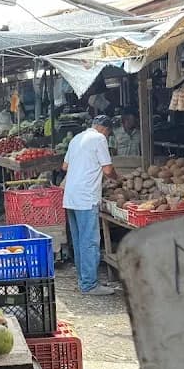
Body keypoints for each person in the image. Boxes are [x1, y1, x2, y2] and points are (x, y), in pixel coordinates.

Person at [62, 115, 118, 295]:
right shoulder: (99, 139)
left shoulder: (76, 138)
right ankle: (89, 284)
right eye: (109, 133)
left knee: (79, 241)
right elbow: (108, 170)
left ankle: (83, 280)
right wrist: (118, 179)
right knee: (90, 241)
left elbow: (65, 166)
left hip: (71, 195)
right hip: (86, 197)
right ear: (105, 129)